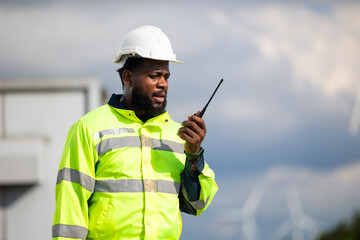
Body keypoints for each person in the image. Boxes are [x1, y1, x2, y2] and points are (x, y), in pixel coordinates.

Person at [52, 25, 218, 240]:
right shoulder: (90, 128)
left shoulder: (178, 136)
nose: (163, 84)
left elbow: (197, 205)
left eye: (166, 76)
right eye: (154, 76)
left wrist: (194, 155)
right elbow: (70, 206)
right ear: (128, 78)